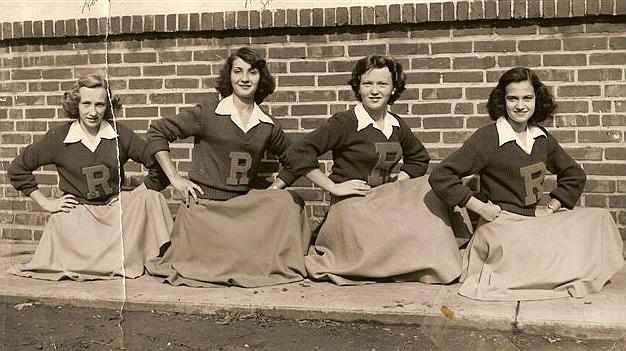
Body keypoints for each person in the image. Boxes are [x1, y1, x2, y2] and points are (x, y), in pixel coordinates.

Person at [429, 66, 624, 301]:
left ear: (536, 100)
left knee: (599, 218)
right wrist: (480, 208)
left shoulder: (541, 137)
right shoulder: (488, 137)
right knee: (525, 255)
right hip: (502, 224)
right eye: (513, 98)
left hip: (533, 221)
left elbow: (574, 174)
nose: (520, 105)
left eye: (527, 98)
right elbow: (441, 176)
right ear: (503, 101)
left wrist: (552, 206)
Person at [285, 55, 465, 285]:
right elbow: (298, 152)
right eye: (368, 83)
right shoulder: (345, 122)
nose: (374, 91)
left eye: (382, 84)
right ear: (358, 87)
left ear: (393, 89)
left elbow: (419, 158)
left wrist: (400, 180)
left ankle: (435, 262)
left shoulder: (396, 125)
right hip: (352, 206)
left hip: (383, 201)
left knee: (430, 186)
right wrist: (333, 187)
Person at [145, 47, 310, 288]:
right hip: (206, 207)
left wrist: (276, 186)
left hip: (242, 207)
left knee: (289, 200)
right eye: (238, 71)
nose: (245, 78)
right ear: (229, 76)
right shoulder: (209, 113)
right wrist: (175, 178)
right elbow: (158, 131)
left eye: (252, 72)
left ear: (260, 79)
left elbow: (296, 159)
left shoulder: (267, 124)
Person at [7, 74, 173, 281]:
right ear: (76, 104)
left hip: (115, 209)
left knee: (152, 197)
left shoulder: (119, 134)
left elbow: (159, 164)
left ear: (108, 106)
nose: (93, 112)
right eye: (86, 104)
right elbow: (18, 168)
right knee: (59, 221)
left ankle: (139, 258)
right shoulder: (59, 137)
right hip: (80, 213)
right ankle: (104, 260)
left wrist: (144, 188)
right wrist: (46, 202)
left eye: (100, 105)